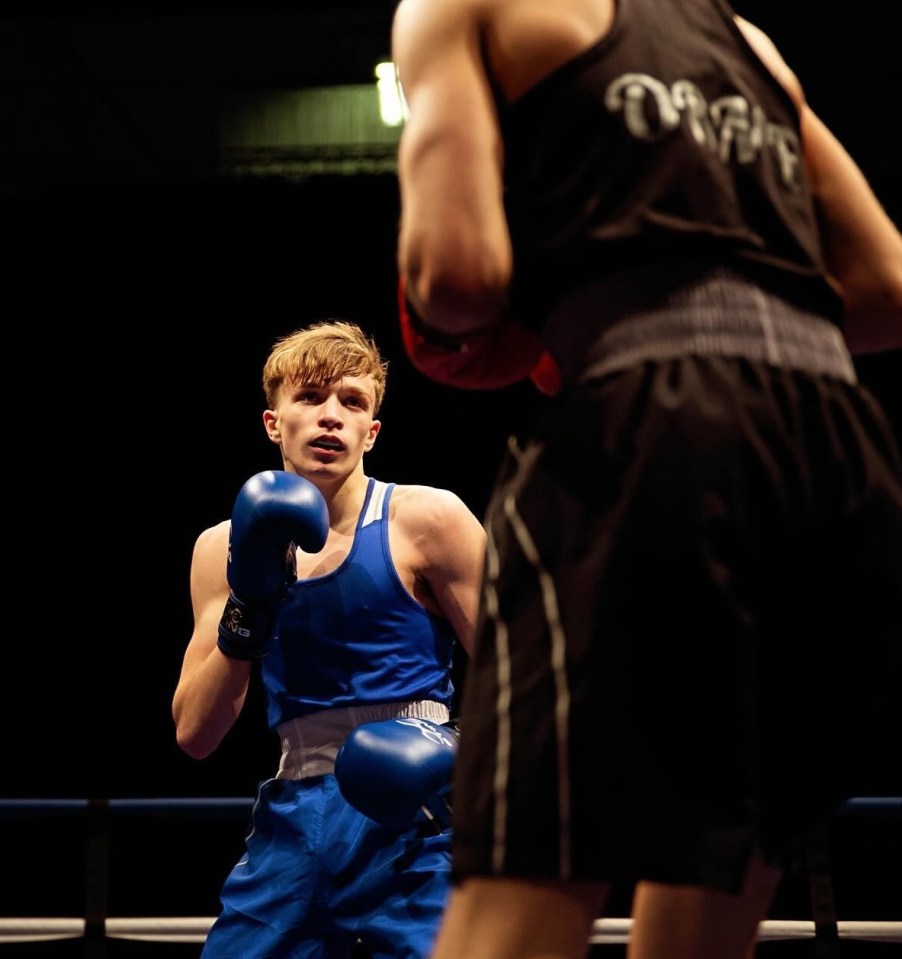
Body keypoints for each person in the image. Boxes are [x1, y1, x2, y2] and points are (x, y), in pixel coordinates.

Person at [391, 0, 902, 957]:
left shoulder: (462, 8)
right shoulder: (752, 43)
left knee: (526, 886)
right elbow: (885, 288)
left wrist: (621, 311)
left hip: (650, 433)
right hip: (841, 459)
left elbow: (458, 279)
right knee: (712, 900)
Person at [171, 319, 487, 959]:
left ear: (372, 430)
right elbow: (195, 734)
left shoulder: (427, 520)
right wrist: (250, 604)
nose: (331, 416)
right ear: (272, 422)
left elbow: (528, 677)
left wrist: (455, 746)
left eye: (352, 401)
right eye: (310, 398)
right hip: (293, 823)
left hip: (420, 821)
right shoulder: (220, 547)